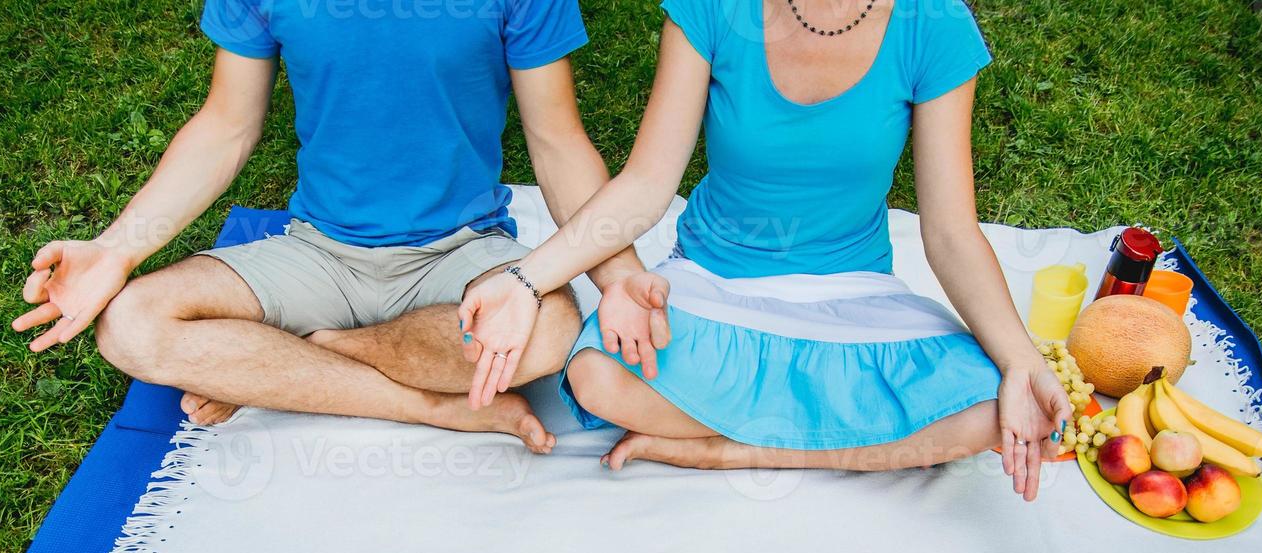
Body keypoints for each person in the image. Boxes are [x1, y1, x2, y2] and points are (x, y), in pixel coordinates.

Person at [458, 0, 1071, 498]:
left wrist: (1022, 362)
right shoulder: (713, 9)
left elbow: (950, 233)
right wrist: (525, 280)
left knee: (992, 411)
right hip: (714, 281)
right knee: (595, 375)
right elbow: (645, 185)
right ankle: (838, 444)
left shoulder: (932, 22)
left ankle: (733, 449)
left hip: (852, 296)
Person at [11, 0, 650, 452]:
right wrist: (117, 249)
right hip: (319, 252)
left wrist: (620, 276)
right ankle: (425, 404)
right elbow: (226, 127)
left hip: (462, 252)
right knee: (130, 326)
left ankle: (309, 358)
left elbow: (558, 144)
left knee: (551, 328)